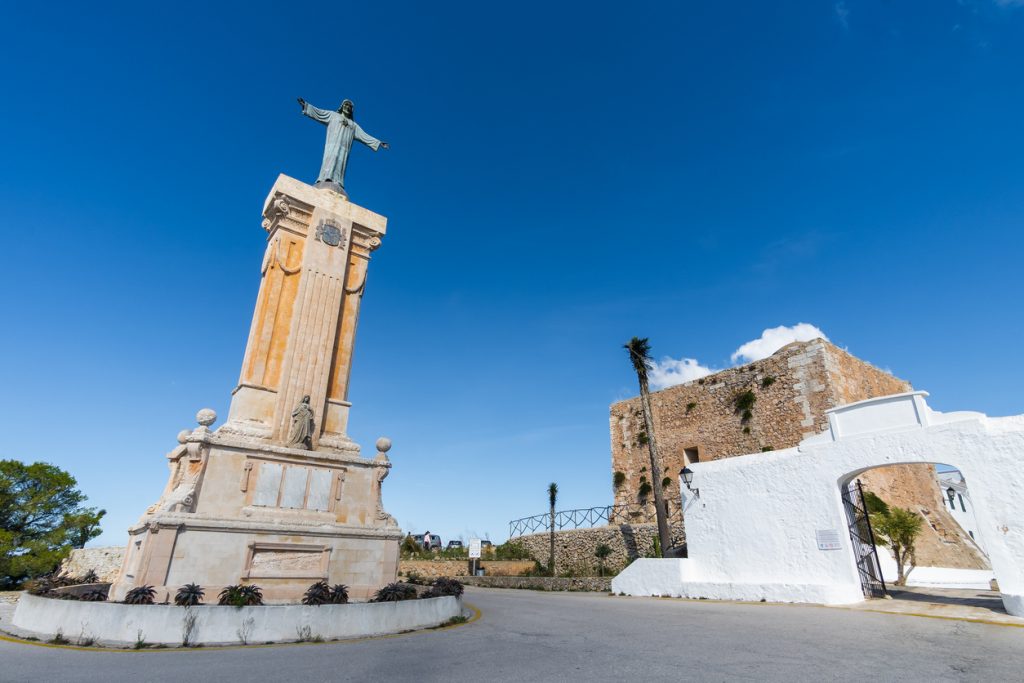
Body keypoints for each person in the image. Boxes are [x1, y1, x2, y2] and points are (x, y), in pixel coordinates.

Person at [297, 97, 389, 197]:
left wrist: (378, 143)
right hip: (332, 144)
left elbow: (364, 136)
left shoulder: (353, 125)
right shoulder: (333, 115)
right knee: (330, 158)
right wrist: (306, 106)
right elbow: (319, 113)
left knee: (341, 163)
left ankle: (337, 181)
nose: (347, 107)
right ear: (342, 106)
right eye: (346, 105)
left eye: (349, 106)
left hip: (344, 149)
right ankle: (324, 178)